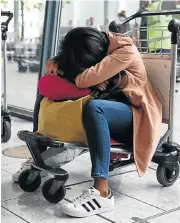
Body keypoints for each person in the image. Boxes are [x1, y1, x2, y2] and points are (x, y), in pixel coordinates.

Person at [13, 27, 162, 218]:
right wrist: (89, 76)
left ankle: (102, 194)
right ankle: (39, 158)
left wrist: (83, 76)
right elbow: (51, 64)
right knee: (46, 87)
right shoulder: (90, 43)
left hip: (136, 115)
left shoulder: (125, 50)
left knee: (95, 107)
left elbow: (85, 79)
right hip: (112, 106)